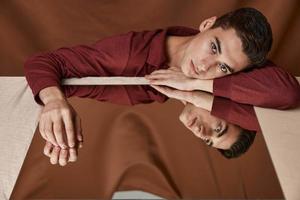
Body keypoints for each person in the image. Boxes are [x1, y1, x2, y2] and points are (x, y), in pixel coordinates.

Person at [24, 7, 300, 166]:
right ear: (207, 24)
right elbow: (47, 63)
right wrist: (53, 101)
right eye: (213, 47)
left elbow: (284, 95)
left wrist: (195, 87)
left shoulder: (217, 79)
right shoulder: (131, 58)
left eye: (224, 68)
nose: (206, 66)